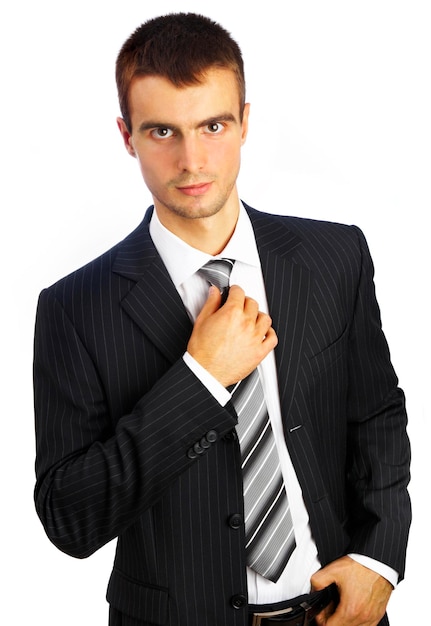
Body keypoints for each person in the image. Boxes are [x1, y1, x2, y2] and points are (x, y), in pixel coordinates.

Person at [33, 12, 411, 626]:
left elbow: (376, 415)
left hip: (336, 614)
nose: (191, 159)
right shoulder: (75, 309)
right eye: (162, 131)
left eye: (213, 125)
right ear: (127, 136)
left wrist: (380, 560)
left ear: (245, 123)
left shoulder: (334, 257)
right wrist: (200, 378)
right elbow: (68, 518)